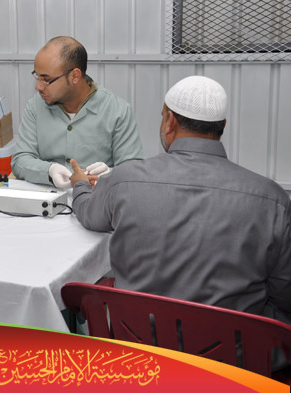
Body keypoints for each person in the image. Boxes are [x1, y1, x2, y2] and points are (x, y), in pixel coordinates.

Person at [69, 76, 291, 330]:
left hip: (138, 344)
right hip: (235, 351)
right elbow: (284, 293)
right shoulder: (272, 199)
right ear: (223, 126)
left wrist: (81, 184)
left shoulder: (124, 179)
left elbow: (89, 215)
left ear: (170, 121)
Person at [11, 36, 143, 187]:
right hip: (47, 195)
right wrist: (49, 171)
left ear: (75, 76)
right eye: (37, 76)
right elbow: (20, 160)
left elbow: (133, 171)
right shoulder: (35, 106)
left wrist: (110, 175)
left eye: (46, 79)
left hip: (95, 197)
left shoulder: (117, 111)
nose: (38, 87)